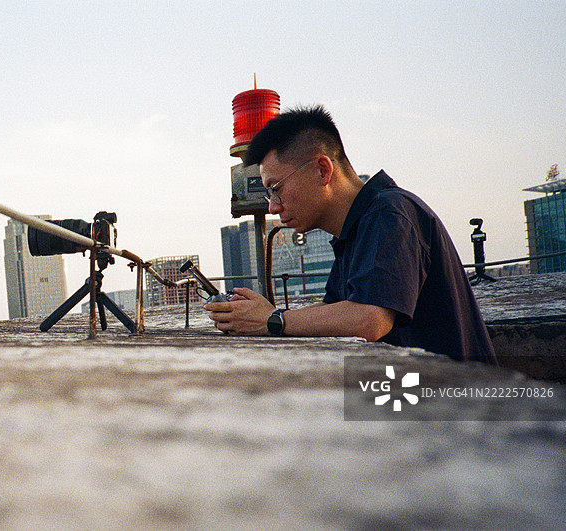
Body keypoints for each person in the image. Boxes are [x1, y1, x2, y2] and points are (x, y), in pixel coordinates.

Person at [204, 105, 496, 364]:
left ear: (321, 170)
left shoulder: (390, 213)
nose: (272, 206)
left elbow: (371, 318)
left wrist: (272, 319)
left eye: (275, 188)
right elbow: (336, 314)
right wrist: (261, 316)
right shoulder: (356, 231)